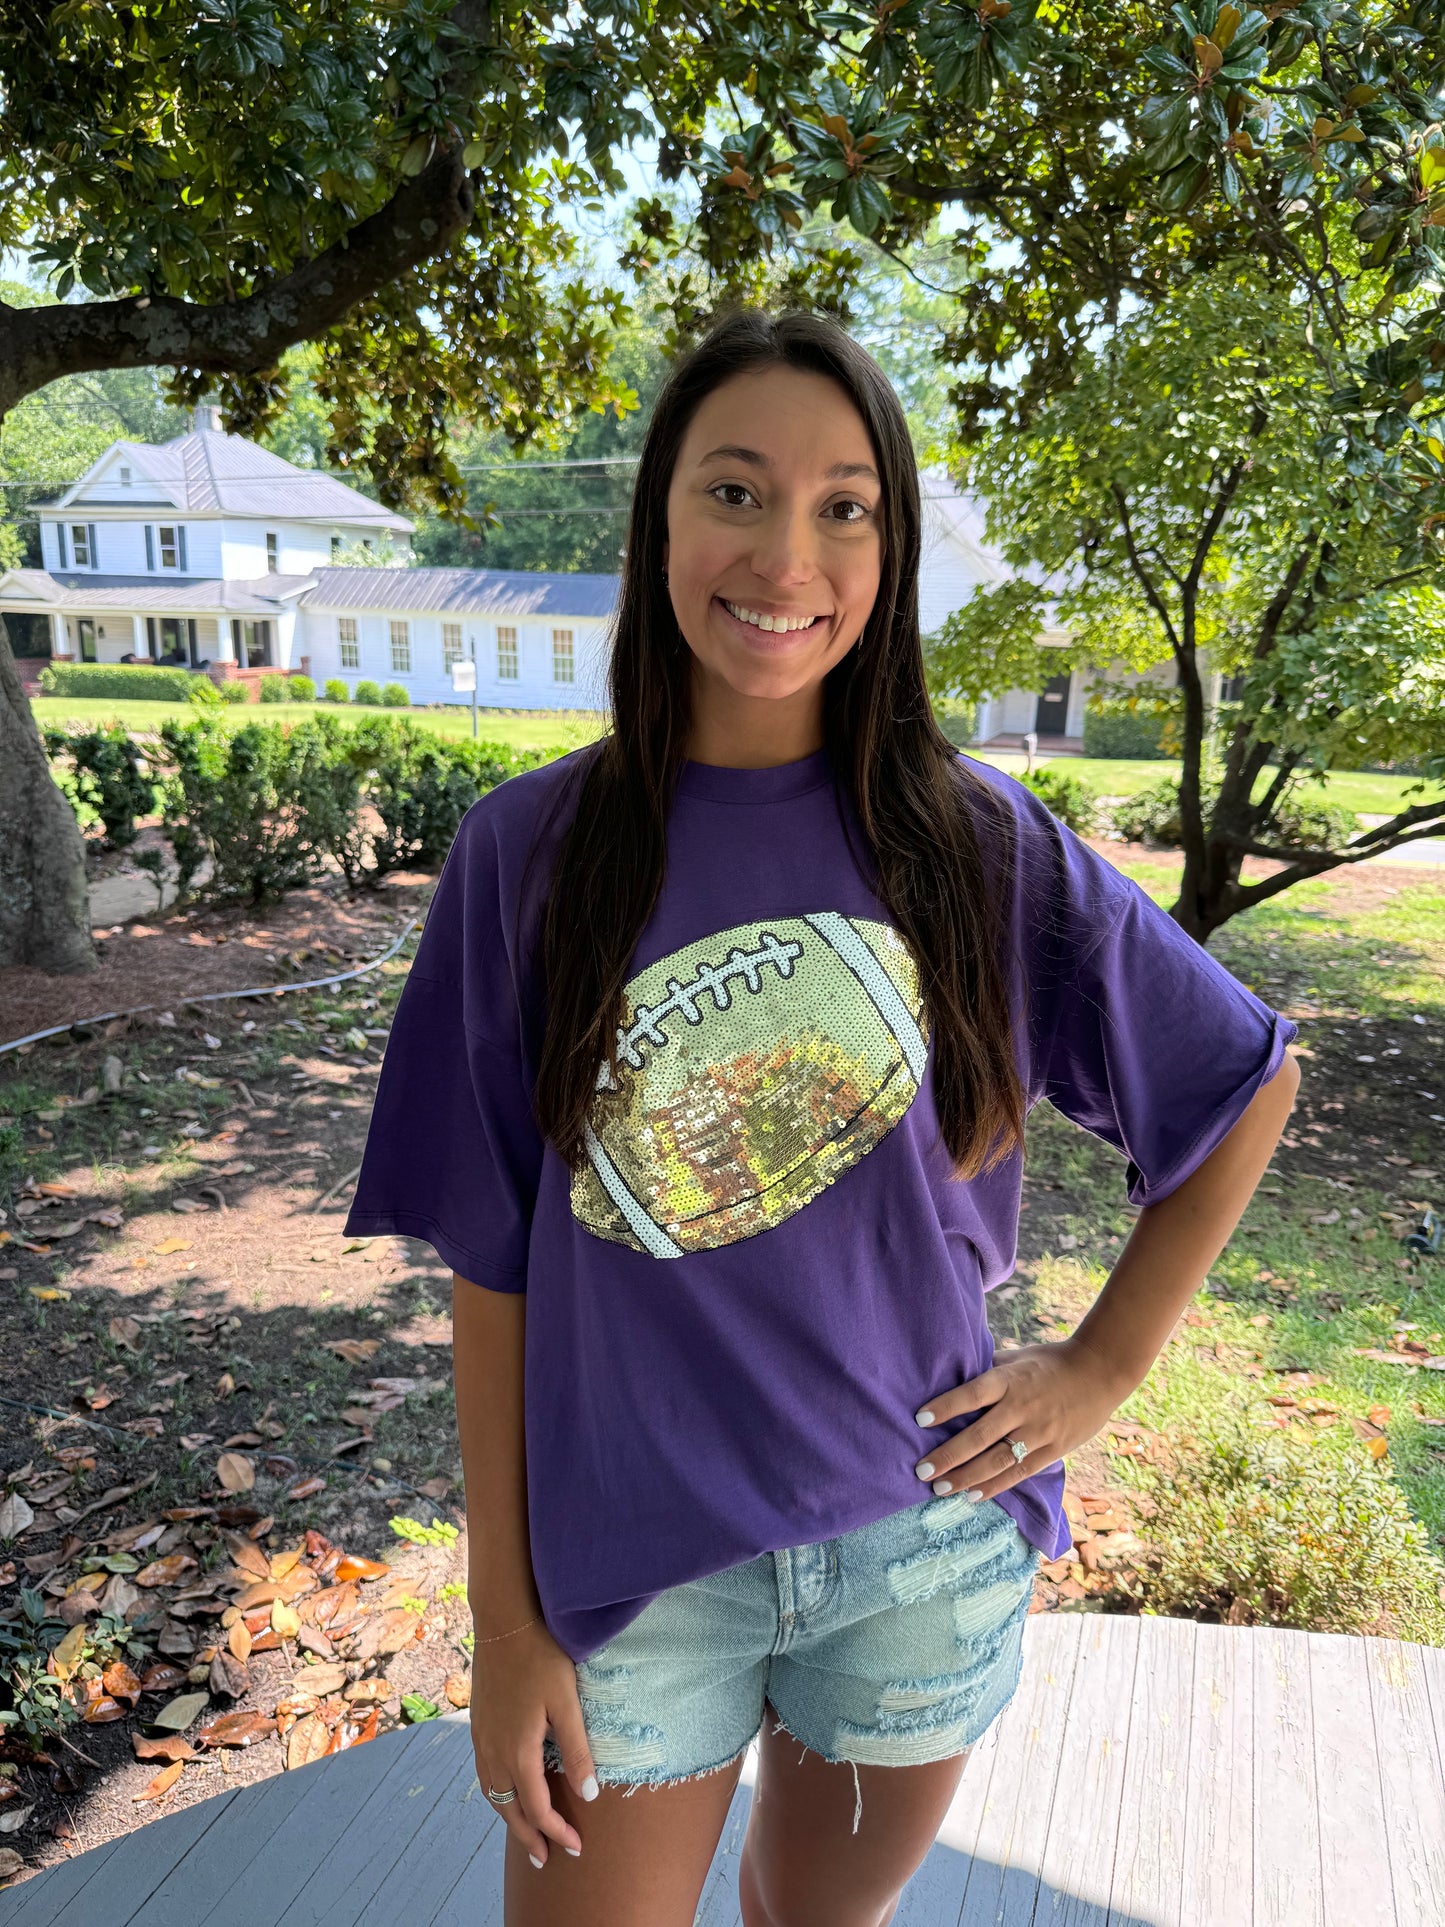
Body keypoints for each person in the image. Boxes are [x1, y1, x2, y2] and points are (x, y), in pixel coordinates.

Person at [344, 307, 1301, 1927]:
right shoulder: (530, 854)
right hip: (630, 1572)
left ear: (887, 546)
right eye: (736, 490)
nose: (787, 551)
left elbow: (1243, 1075)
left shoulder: (974, 843)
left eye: (844, 506)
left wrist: (1104, 1364)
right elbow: (490, 1262)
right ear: (657, 519)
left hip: (914, 1552)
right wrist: (505, 1626)